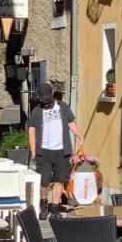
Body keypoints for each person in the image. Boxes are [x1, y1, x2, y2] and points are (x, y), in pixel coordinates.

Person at [27, 83, 84, 219]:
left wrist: (80, 136)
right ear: (40, 97)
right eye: (44, 98)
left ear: (52, 93)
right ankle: (44, 204)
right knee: (45, 180)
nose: (47, 100)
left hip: (62, 151)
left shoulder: (63, 107)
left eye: (49, 96)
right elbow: (31, 131)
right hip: (44, 151)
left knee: (59, 180)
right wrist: (34, 152)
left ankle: (55, 208)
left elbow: (71, 123)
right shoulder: (36, 111)